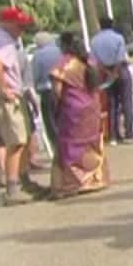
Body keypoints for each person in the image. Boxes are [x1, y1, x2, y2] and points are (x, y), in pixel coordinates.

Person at [0, 6, 36, 206]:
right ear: (7, 24)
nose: (22, 29)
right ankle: (13, 189)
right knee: (17, 141)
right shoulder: (4, 43)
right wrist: (5, 90)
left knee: (19, 139)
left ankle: (23, 181)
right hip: (2, 98)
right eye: (19, 25)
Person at [47, 32, 109, 199]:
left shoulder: (63, 64)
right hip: (92, 107)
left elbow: (57, 90)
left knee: (70, 143)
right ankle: (96, 177)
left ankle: (72, 182)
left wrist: (57, 106)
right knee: (91, 140)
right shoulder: (90, 61)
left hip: (72, 109)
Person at [91, 17, 133, 144]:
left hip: (105, 73)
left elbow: (96, 62)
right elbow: (120, 58)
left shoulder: (94, 41)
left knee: (112, 103)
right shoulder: (118, 38)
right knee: (127, 102)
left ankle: (113, 135)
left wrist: (108, 72)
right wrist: (115, 72)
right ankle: (129, 133)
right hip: (121, 71)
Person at [31, 31, 63, 153]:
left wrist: (36, 88)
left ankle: (58, 148)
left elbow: (36, 75)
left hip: (46, 90)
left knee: (51, 121)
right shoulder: (60, 51)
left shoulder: (38, 55)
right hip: (63, 88)